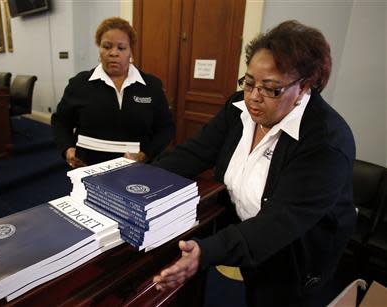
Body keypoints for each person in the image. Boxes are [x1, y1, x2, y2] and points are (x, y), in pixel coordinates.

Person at [152, 20, 356, 307]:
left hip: (294, 255)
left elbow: (279, 222)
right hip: (247, 239)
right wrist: (141, 176)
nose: (253, 97)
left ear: (304, 87)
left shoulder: (326, 142)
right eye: (249, 82)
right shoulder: (239, 109)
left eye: (271, 89)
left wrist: (206, 252)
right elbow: (195, 153)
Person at [51, 17, 174, 167]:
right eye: (107, 46)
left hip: (136, 169)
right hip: (86, 168)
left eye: (121, 48)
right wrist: (68, 150)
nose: (113, 53)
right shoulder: (79, 84)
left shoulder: (151, 86)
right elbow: (61, 122)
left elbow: (165, 128)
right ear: (99, 49)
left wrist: (144, 155)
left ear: (130, 52)